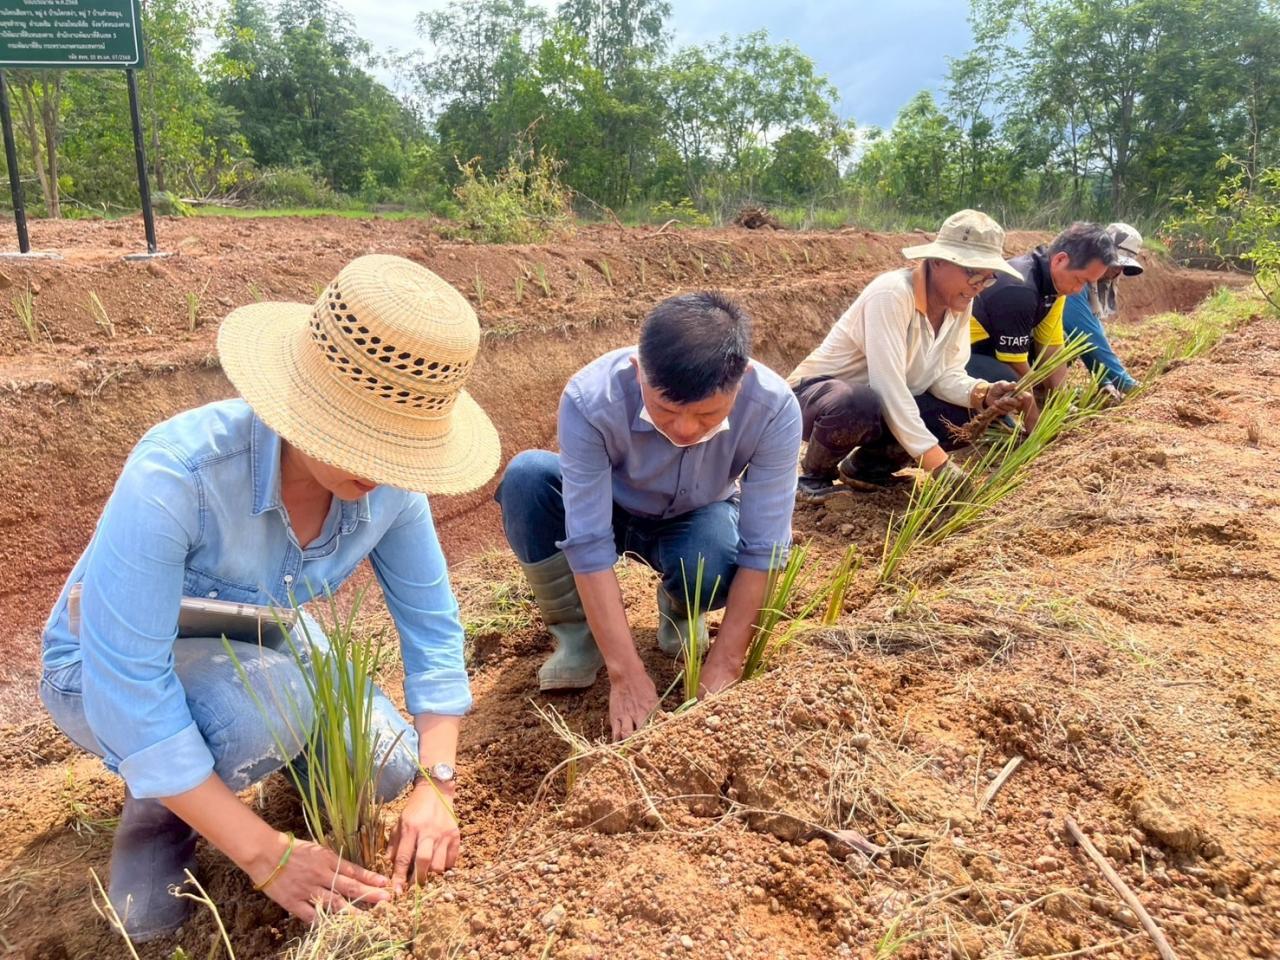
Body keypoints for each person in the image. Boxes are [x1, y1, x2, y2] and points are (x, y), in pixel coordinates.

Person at [38, 255, 500, 941]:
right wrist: (266, 854)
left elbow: (432, 629)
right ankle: (159, 809)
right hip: (102, 666)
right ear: (304, 403)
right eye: (361, 442)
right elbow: (128, 682)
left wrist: (438, 785)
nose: (379, 471)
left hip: (260, 636)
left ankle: (264, 775)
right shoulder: (179, 474)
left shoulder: (393, 491)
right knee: (261, 712)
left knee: (383, 763)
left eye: (399, 451)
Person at [494, 292, 802, 741]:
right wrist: (626, 675)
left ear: (742, 380)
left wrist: (725, 663)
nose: (684, 429)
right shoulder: (589, 396)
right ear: (639, 370)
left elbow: (764, 547)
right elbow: (588, 541)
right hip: (611, 506)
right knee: (528, 478)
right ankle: (578, 637)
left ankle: (680, 611)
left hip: (698, 515)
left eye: (707, 414)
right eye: (666, 409)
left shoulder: (774, 408)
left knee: (715, 557)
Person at [786, 209, 1033, 501]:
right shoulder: (892, 295)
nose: (977, 286)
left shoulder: (958, 305)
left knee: (966, 410)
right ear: (938, 261)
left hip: (879, 404)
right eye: (971, 273)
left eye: (987, 279)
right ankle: (814, 476)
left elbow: (944, 375)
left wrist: (983, 393)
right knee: (859, 402)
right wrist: (938, 465)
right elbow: (887, 386)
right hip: (817, 400)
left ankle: (868, 469)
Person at [968, 223, 1119, 395]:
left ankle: (1039, 396)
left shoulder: (1055, 287)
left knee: (1065, 342)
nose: (1078, 290)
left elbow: (1052, 347)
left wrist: (1061, 401)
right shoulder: (1020, 289)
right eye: (1080, 280)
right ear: (1060, 260)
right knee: (1008, 377)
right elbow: (1014, 363)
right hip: (966, 356)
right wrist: (1036, 417)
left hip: (996, 349)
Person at [1062, 222, 1144, 394]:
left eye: (1121, 267)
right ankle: (1039, 388)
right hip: (1016, 347)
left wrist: (1104, 380)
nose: (1117, 271)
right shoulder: (1076, 278)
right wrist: (1125, 383)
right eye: (1114, 264)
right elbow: (1086, 334)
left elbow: (1087, 336)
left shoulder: (1091, 284)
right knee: (1064, 340)